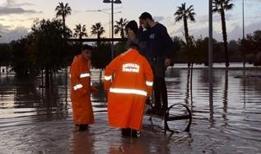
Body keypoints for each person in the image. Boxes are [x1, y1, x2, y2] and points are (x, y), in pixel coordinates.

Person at [103, 20, 154, 137]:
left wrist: (107, 87)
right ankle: (134, 139)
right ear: (137, 49)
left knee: (124, 120)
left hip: (121, 96)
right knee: (135, 121)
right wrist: (148, 94)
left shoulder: (120, 58)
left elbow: (108, 71)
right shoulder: (142, 60)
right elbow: (150, 77)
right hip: (138, 97)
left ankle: (125, 141)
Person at [138, 12, 174, 115]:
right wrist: (140, 26)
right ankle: (157, 106)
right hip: (151, 61)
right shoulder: (148, 32)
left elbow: (169, 44)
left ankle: (164, 107)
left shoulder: (160, 28)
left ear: (147, 19)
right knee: (154, 85)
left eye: (143, 22)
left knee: (160, 83)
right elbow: (140, 37)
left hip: (160, 59)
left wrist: (168, 57)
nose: (143, 25)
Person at [70, 45, 95, 131]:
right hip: (79, 95)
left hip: (84, 94)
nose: (89, 55)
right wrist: (81, 91)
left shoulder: (86, 63)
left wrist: (91, 88)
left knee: (84, 118)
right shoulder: (77, 62)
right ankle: (82, 141)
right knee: (82, 119)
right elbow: (74, 79)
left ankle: (83, 140)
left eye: (90, 53)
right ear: (82, 52)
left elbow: (86, 78)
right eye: (87, 52)